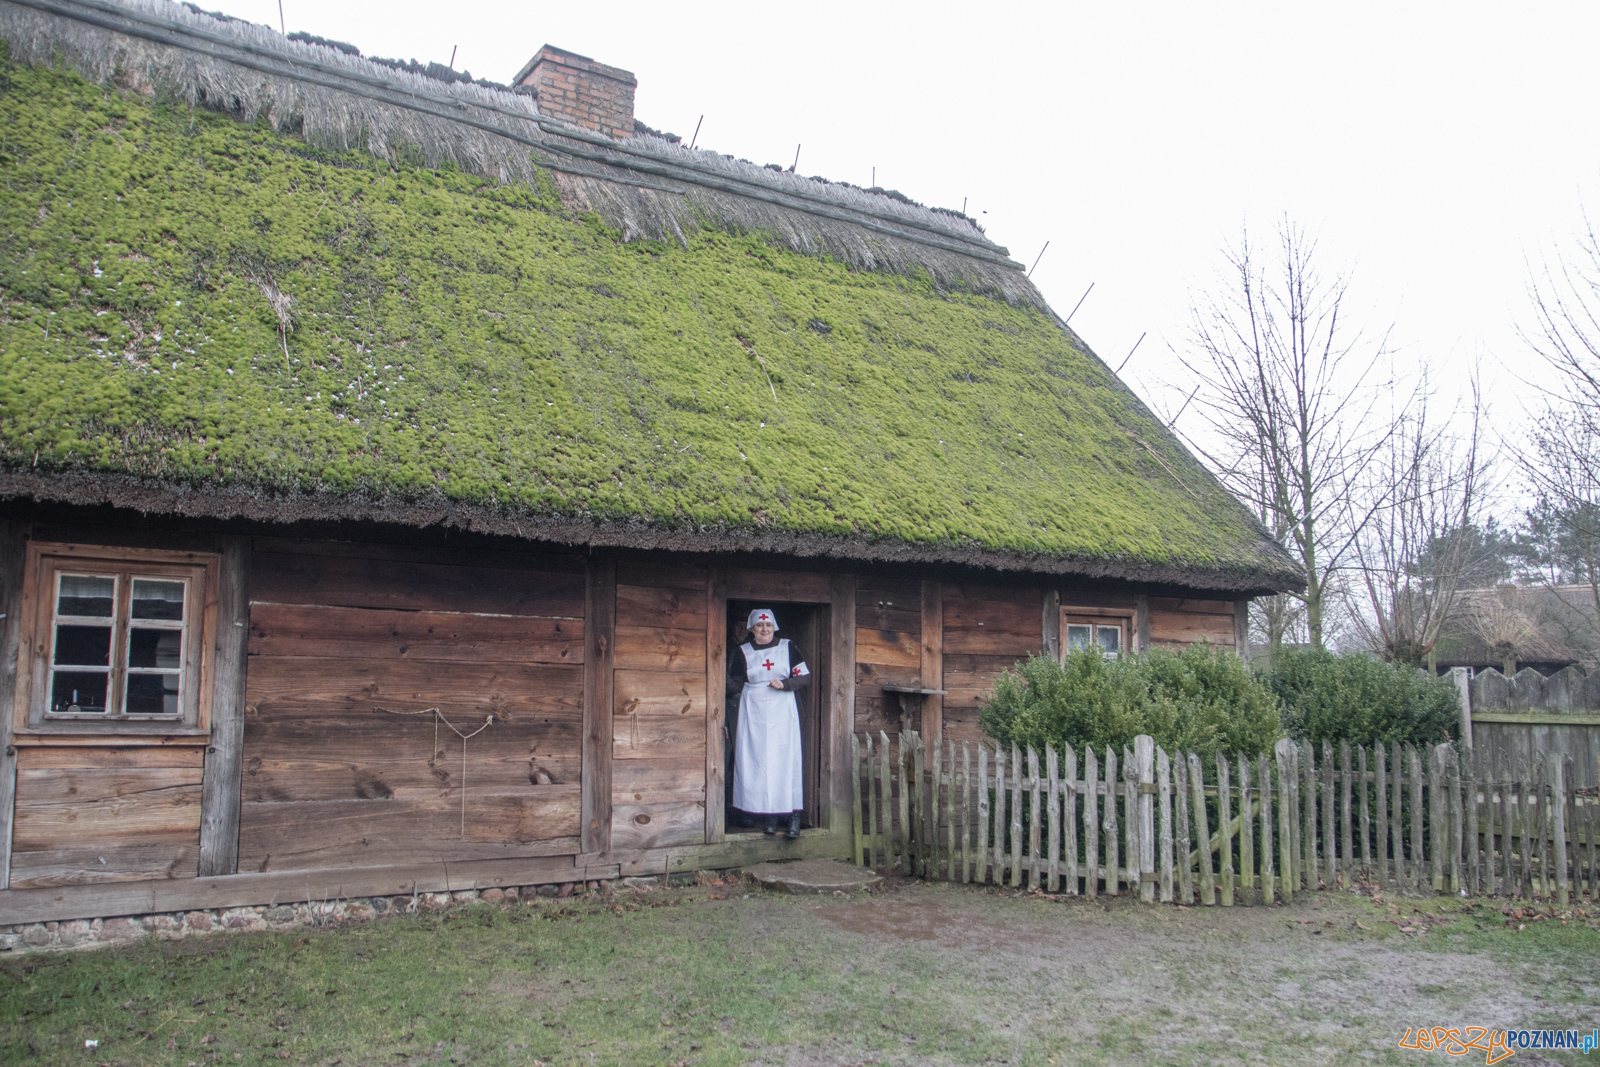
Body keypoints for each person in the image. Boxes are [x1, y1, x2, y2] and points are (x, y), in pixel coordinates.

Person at [727, 608, 809, 838]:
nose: (764, 629)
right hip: (753, 710)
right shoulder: (744, 652)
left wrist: (786, 684)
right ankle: (768, 816)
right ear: (752, 629)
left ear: (774, 627)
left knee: (784, 759)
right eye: (759, 626)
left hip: (782, 710)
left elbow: (804, 676)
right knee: (757, 760)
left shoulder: (788, 647)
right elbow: (734, 681)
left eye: (768, 625)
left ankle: (793, 816)